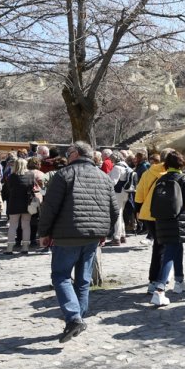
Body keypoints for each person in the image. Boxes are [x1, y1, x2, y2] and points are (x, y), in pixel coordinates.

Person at [38, 141, 119, 343]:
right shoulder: (104, 176)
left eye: (68, 152)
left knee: (61, 276)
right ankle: (77, 318)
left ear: (74, 153)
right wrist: (105, 232)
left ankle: (74, 318)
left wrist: (44, 232)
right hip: (92, 236)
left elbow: (50, 207)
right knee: (83, 280)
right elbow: (114, 210)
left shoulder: (64, 175)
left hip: (67, 235)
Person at [149, 151, 185, 307]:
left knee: (177, 248)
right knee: (170, 252)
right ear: (182, 163)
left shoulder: (161, 178)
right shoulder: (183, 179)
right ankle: (160, 289)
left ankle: (179, 281)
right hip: (177, 220)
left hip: (162, 220)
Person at [134, 150, 170, 293]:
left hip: (147, 213)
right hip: (163, 214)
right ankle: (157, 279)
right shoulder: (171, 174)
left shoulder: (148, 172)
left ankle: (155, 279)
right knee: (162, 248)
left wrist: (137, 211)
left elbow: (139, 193)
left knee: (158, 246)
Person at [3, 158, 41, 254]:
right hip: (27, 203)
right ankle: (25, 248)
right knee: (26, 225)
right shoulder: (30, 175)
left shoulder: (11, 177)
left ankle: (9, 248)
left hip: (14, 203)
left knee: (13, 225)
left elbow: (9, 189)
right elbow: (32, 187)